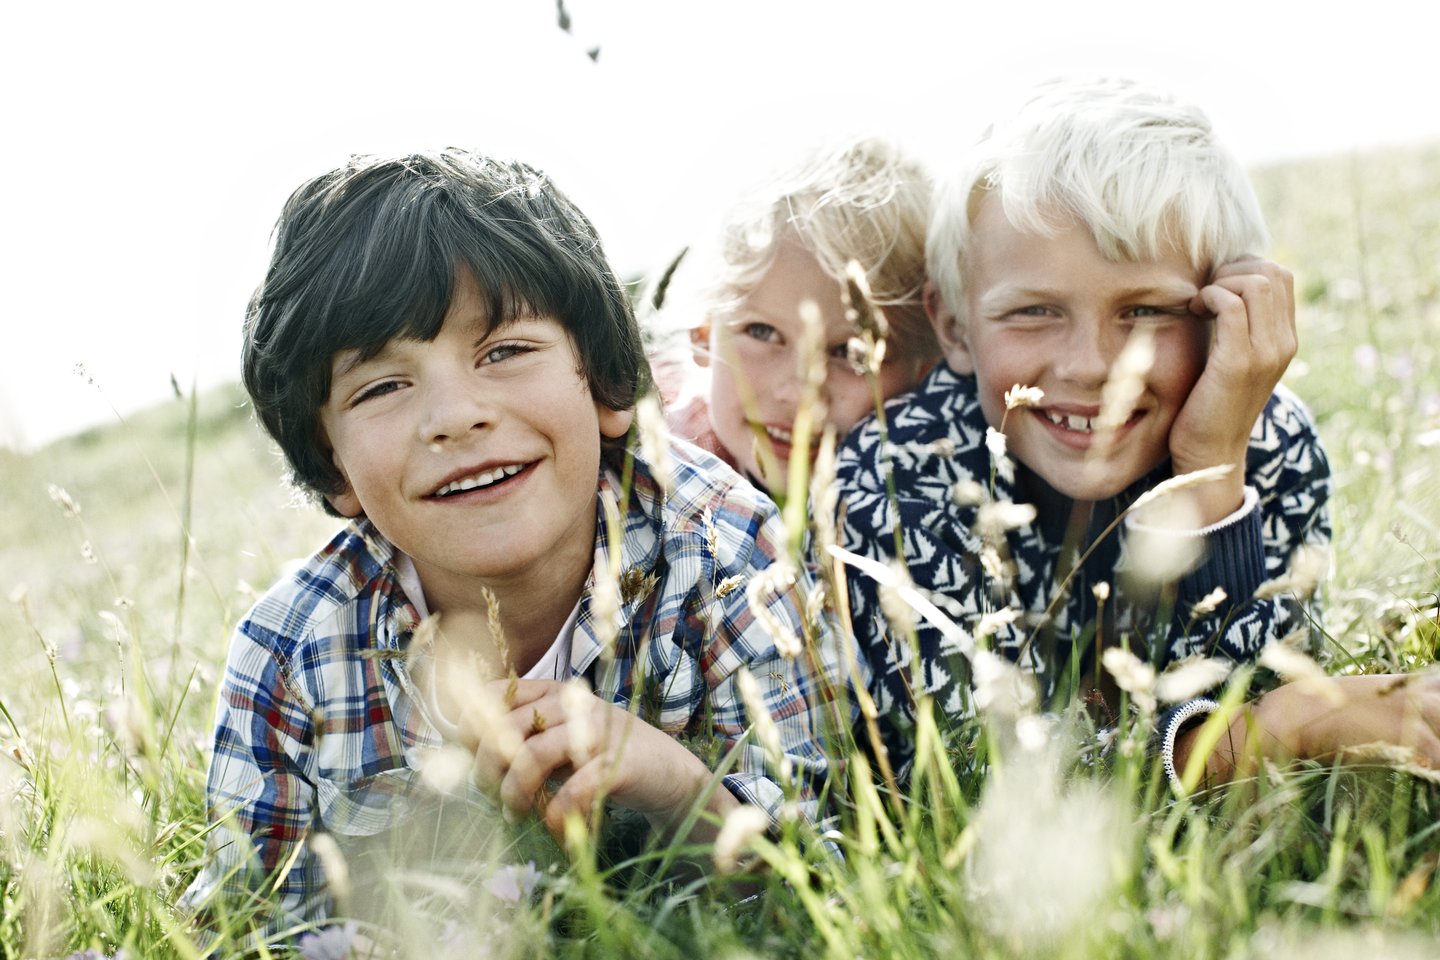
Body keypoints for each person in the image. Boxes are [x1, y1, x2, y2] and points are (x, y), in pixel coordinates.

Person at [182, 150, 850, 936]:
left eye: (503, 351)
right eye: (383, 386)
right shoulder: (291, 650)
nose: (455, 415)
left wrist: (677, 790)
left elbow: (824, 879)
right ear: (336, 467)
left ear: (602, 384)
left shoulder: (727, 552)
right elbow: (245, 927)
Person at [836, 78, 1440, 784]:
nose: (1090, 366)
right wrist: (1277, 731)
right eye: (1034, 311)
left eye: (1147, 311)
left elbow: (1255, 685)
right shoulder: (904, 466)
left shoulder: (1268, 444)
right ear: (955, 328)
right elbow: (971, 775)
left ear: (1224, 315)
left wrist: (1212, 467)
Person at [664, 137, 940, 496]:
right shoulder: (651, 485)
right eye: (762, 331)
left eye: (849, 353)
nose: (798, 394)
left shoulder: (942, 492)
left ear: (928, 366)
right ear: (702, 333)